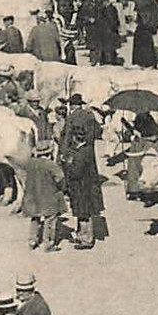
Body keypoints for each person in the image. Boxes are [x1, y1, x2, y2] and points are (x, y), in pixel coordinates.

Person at [60, 94, 104, 249]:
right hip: (90, 164)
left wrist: (64, 158)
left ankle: (86, 237)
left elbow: (65, 141)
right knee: (88, 201)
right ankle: (82, 233)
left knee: (80, 201)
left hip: (77, 167)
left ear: (71, 105)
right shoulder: (90, 116)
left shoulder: (71, 119)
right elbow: (99, 132)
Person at [22, 141, 65, 251]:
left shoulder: (30, 163)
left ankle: (32, 241)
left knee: (35, 218)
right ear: (49, 152)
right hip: (48, 196)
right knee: (50, 219)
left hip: (33, 196)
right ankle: (48, 243)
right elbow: (60, 178)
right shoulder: (50, 164)